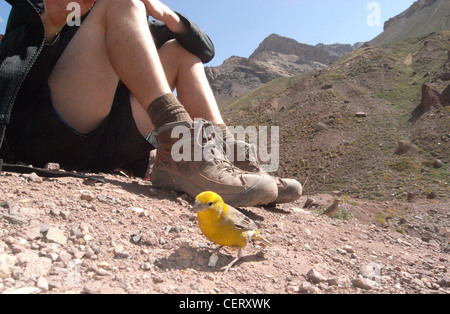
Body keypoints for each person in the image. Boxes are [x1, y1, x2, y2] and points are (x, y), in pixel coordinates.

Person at [0, 0, 302, 207]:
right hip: (48, 130)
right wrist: (49, 24)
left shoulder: (133, 15)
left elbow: (204, 49)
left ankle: (221, 155)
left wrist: (167, 15)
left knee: (179, 51)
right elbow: (10, 60)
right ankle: (186, 150)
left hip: (108, 145)